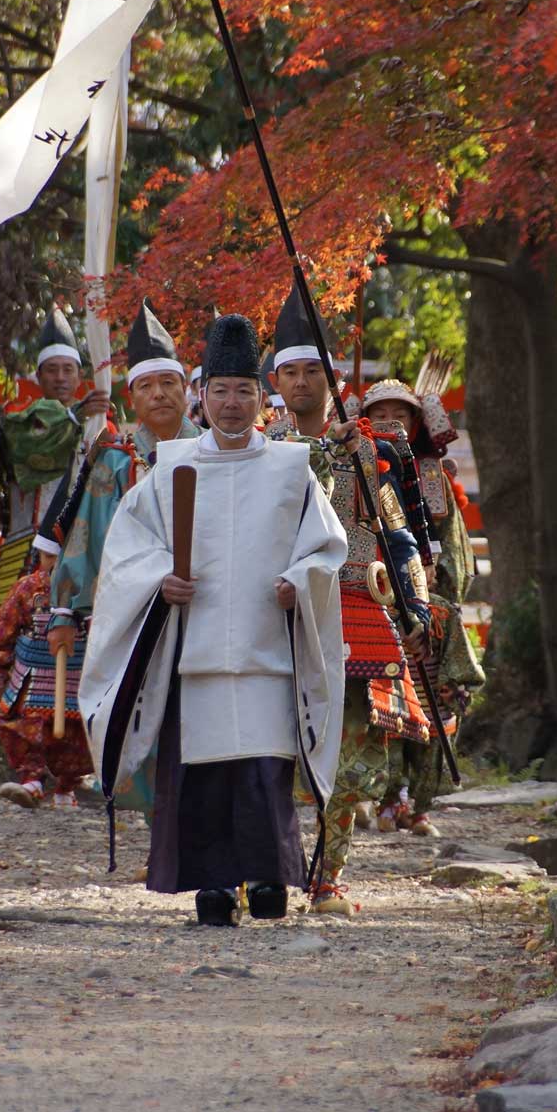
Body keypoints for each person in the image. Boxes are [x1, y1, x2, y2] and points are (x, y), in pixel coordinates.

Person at [79, 314, 347, 927]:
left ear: (262, 397)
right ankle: (213, 886)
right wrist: (159, 581)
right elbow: (128, 549)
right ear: (202, 396)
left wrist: (298, 582)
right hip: (192, 653)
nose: (231, 404)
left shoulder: (291, 467)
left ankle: (269, 878)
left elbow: (325, 548)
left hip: (265, 652)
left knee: (261, 773)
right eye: (221, 391)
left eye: (244, 392)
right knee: (203, 778)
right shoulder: (170, 467)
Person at [266, 285, 431, 914]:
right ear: (275, 379)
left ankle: (328, 874)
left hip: (359, 605)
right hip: (281, 607)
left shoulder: (370, 450)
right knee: (277, 745)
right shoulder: (259, 451)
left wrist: (414, 606)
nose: (303, 382)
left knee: (353, 750)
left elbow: (398, 536)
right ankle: (274, 864)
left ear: (329, 376)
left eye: (313, 370)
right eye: (291, 372)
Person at [45, 300, 202, 812]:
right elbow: (86, 538)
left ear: (186, 389)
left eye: (168, 383)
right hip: (134, 613)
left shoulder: (214, 452)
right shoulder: (114, 460)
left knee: (199, 716)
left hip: (205, 605)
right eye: (145, 386)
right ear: (131, 397)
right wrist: (65, 609)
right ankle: (162, 840)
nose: (158, 394)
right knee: (139, 712)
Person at [362, 378, 485, 836]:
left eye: (401, 413)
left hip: (429, 610)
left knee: (435, 705)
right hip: (375, 604)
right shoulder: (357, 469)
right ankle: (385, 797)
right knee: (386, 705)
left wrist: (436, 592)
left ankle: (419, 801)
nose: (389, 421)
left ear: (415, 422)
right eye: (379, 414)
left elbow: (455, 547)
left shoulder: (433, 477)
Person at [0, 304, 110, 618]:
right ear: (38, 375)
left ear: (80, 376)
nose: (61, 377)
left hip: (81, 551)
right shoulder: (20, 421)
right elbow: (33, 447)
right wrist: (77, 416)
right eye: (52, 369)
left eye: (68, 369)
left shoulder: (100, 426)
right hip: (24, 549)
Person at [0, 516, 92, 808]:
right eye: (47, 557)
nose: (53, 564)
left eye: (60, 558)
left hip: (78, 674)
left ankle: (66, 788)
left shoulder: (93, 588)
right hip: (32, 676)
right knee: (28, 729)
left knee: (77, 735)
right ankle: (31, 781)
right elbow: (6, 627)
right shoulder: (26, 588)